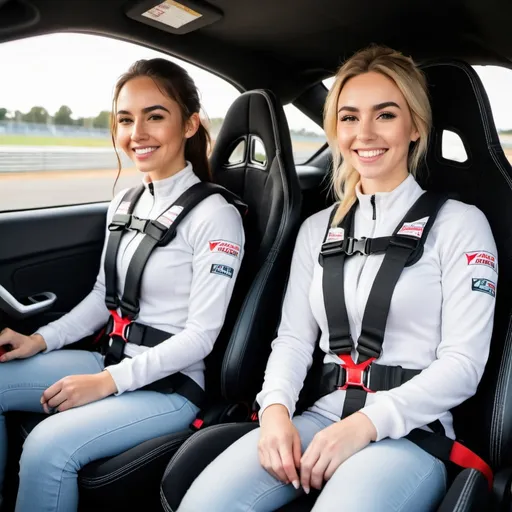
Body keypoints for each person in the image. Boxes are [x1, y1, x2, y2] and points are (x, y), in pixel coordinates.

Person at [177, 46, 498, 512]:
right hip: (320, 417)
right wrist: (275, 413)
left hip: (410, 433)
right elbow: (292, 340)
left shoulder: (461, 224)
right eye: (348, 118)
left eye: (384, 115)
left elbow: (464, 366)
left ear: (415, 127)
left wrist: (365, 425)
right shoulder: (318, 229)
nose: (364, 133)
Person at [0, 58, 245, 512]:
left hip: (168, 387)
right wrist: (38, 340)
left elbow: (201, 336)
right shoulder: (126, 201)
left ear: (190, 124)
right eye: (126, 119)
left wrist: (106, 382)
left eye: (155, 116)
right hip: (109, 358)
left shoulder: (216, 217)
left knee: (47, 445)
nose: (138, 133)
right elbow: (102, 298)